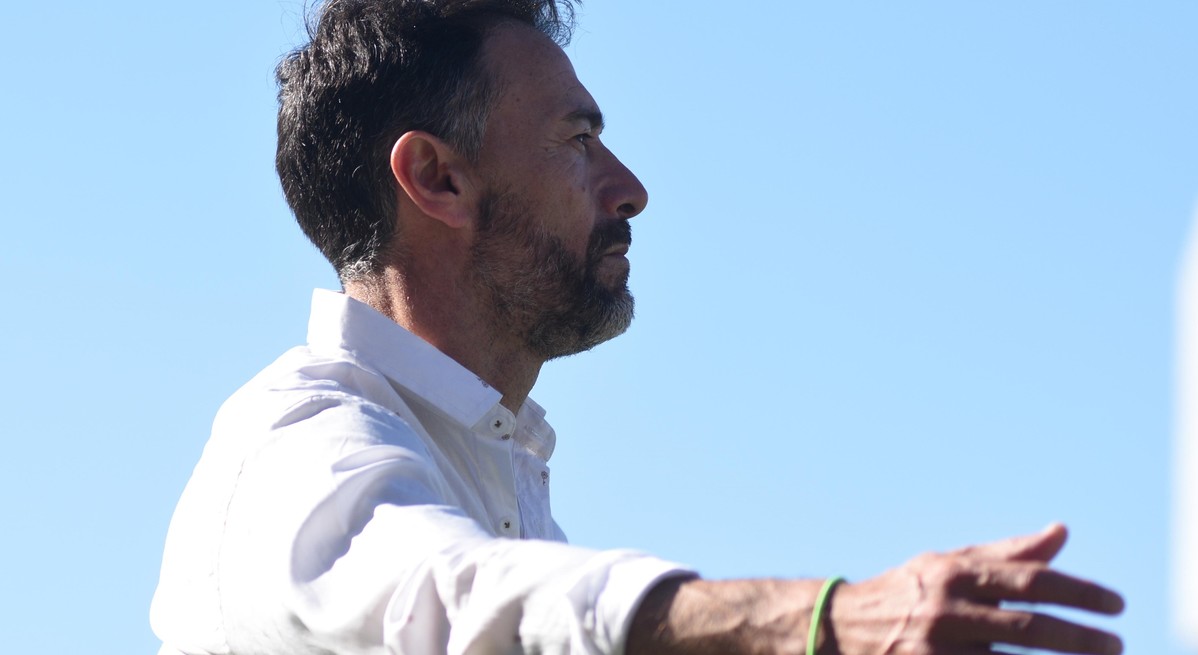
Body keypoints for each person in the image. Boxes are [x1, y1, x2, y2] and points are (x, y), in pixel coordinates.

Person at [151, 1, 1126, 654]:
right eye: (578, 141)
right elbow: (449, 599)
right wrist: (828, 621)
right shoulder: (296, 442)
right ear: (438, 179)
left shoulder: (502, 487)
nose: (629, 189)